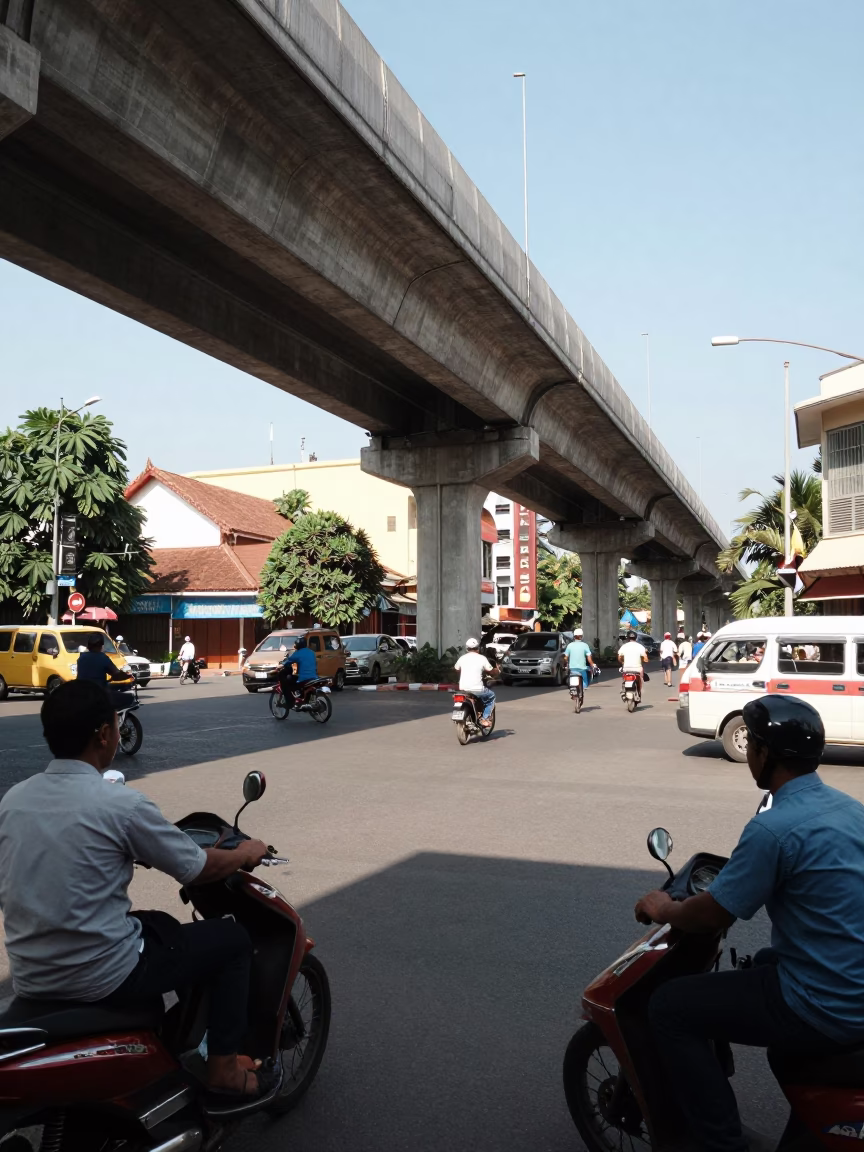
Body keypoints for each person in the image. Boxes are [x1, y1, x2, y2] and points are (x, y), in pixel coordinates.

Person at [0, 680, 273, 1099]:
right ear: (104, 735)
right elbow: (198, 868)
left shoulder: (14, 800)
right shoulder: (120, 805)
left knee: (160, 924)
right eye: (115, 720)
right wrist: (247, 852)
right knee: (232, 940)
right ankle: (223, 1069)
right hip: (103, 975)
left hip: (33, 975)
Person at [637, 695, 864, 1152]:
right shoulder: (850, 809)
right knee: (762, 960)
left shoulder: (773, 829)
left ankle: (718, 1143)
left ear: (761, 753)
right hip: (853, 980)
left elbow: (712, 913)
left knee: (669, 1007)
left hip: (828, 1004)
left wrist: (663, 908)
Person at [454, 638, 495, 729]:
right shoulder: (482, 658)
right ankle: (484, 718)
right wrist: (497, 671)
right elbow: (490, 671)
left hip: (463, 688)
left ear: (467, 648)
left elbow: (456, 669)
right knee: (491, 697)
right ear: (478, 648)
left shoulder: (462, 658)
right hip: (477, 688)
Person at [278, 634, 318, 702]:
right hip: (314, 677)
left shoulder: (298, 653)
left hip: (304, 678)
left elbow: (288, 661)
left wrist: (280, 665)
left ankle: (291, 700)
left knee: (290, 681)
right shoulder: (312, 652)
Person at [564, 628, 596, 695]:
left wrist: (565, 664)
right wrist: (593, 664)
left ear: (574, 636)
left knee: (569, 678)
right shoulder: (585, 645)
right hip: (582, 668)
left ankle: (572, 689)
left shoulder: (569, 645)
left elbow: (565, 657)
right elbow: (589, 659)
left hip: (572, 668)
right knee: (589, 672)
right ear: (581, 636)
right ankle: (584, 686)